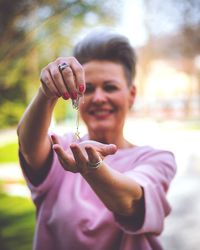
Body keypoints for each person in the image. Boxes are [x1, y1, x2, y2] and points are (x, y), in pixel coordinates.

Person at [17, 29, 176, 250]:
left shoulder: (156, 160)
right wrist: (46, 91)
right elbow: (28, 145)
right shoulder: (61, 150)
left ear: (131, 95)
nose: (99, 98)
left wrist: (92, 169)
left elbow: (129, 201)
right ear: (75, 94)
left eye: (110, 87)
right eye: (88, 89)